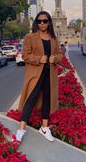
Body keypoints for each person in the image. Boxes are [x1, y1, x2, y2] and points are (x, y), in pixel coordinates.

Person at [16, 11, 63, 142]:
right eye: (39, 21)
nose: (42, 23)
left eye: (45, 21)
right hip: (36, 74)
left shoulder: (53, 38)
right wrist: (38, 59)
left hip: (50, 74)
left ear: (49, 23)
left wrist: (55, 58)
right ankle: (21, 130)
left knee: (47, 100)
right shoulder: (30, 37)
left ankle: (44, 128)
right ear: (36, 23)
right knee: (30, 99)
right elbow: (25, 55)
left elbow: (60, 54)